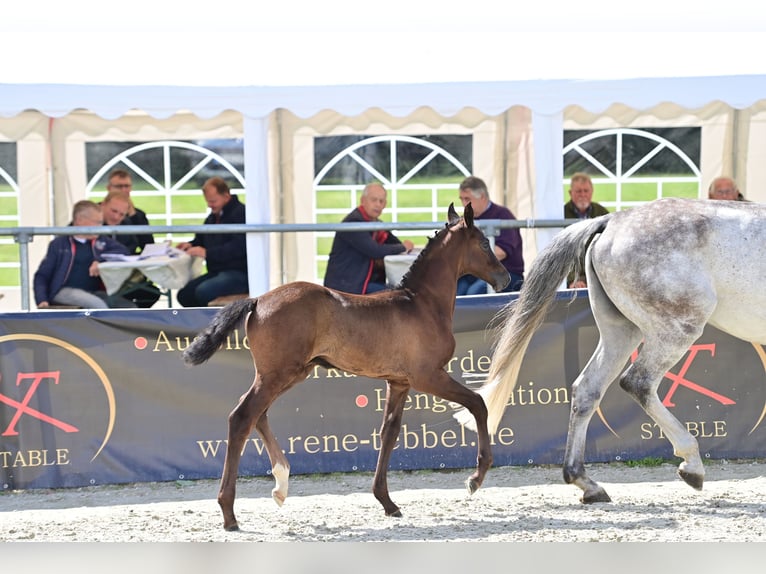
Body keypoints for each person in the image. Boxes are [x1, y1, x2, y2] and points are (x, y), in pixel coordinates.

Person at [33, 200, 137, 309]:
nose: (100, 227)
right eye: (97, 222)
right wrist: (42, 299)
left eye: (101, 223)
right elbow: (42, 275)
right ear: (79, 221)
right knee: (98, 305)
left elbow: (123, 251)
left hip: (94, 292)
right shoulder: (60, 244)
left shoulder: (101, 241)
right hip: (63, 291)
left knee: (129, 307)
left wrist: (100, 261)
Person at [323, 182, 414, 294]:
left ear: (385, 204)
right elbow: (374, 250)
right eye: (374, 200)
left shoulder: (376, 224)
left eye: (381, 201)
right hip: (347, 287)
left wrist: (402, 247)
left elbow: (393, 243)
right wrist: (403, 247)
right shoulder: (353, 223)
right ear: (363, 201)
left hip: (361, 283)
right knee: (399, 296)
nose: (378, 204)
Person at [176, 177, 249, 307]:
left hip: (239, 272)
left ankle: (213, 324)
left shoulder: (241, 214)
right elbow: (202, 238)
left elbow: (239, 247)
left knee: (203, 291)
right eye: (208, 201)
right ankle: (201, 324)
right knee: (184, 294)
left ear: (226, 196)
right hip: (217, 271)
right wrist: (191, 245)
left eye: (213, 201)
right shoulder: (213, 215)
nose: (210, 205)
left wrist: (208, 253)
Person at [456, 176, 524, 295]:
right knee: (452, 291)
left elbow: (500, 252)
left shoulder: (503, 215)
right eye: (461, 199)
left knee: (474, 293)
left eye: (467, 199)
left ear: (482, 197)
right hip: (475, 273)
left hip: (506, 273)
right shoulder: (466, 219)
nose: (463, 203)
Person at [100, 190, 163, 308]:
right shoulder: (90, 222)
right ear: (103, 205)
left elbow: (135, 245)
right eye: (113, 211)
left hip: (122, 276)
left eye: (121, 214)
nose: (116, 217)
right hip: (99, 280)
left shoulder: (126, 223)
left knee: (151, 293)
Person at [563, 172, 609, 288]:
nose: (582, 194)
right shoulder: (561, 214)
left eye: (586, 191)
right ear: (570, 193)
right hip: (571, 277)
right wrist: (572, 280)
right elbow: (562, 255)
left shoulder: (602, 213)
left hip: (597, 274)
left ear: (592, 192)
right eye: (578, 191)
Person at [106, 169, 154, 250]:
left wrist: (133, 215)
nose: (123, 190)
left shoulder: (139, 214)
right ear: (109, 188)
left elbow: (148, 245)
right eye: (119, 186)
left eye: (127, 186)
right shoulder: (97, 211)